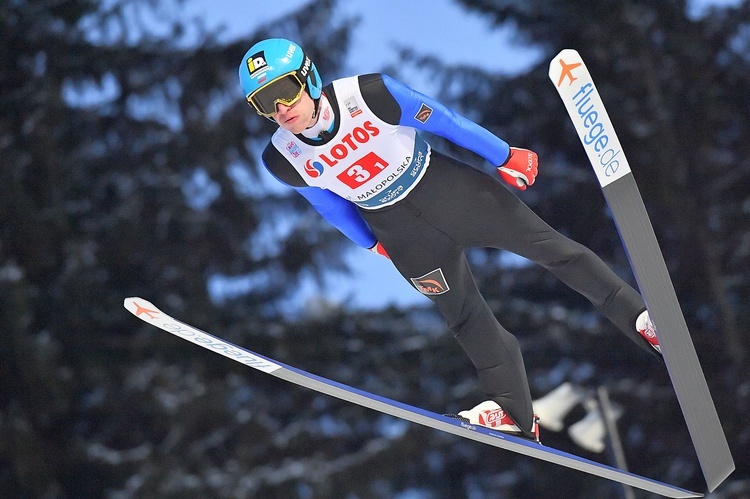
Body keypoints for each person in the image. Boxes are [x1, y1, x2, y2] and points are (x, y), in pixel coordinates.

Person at [238, 38, 661, 440]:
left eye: (285, 92)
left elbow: (444, 120)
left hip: (453, 194)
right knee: (463, 316)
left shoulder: (369, 95)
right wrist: (370, 243)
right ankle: (514, 412)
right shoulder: (282, 157)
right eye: (264, 103)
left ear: (308, 78)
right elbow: (329, 206)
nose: (280, 109)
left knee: (552, 250)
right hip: (401, 234)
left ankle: (640, 318)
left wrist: (504, 155)